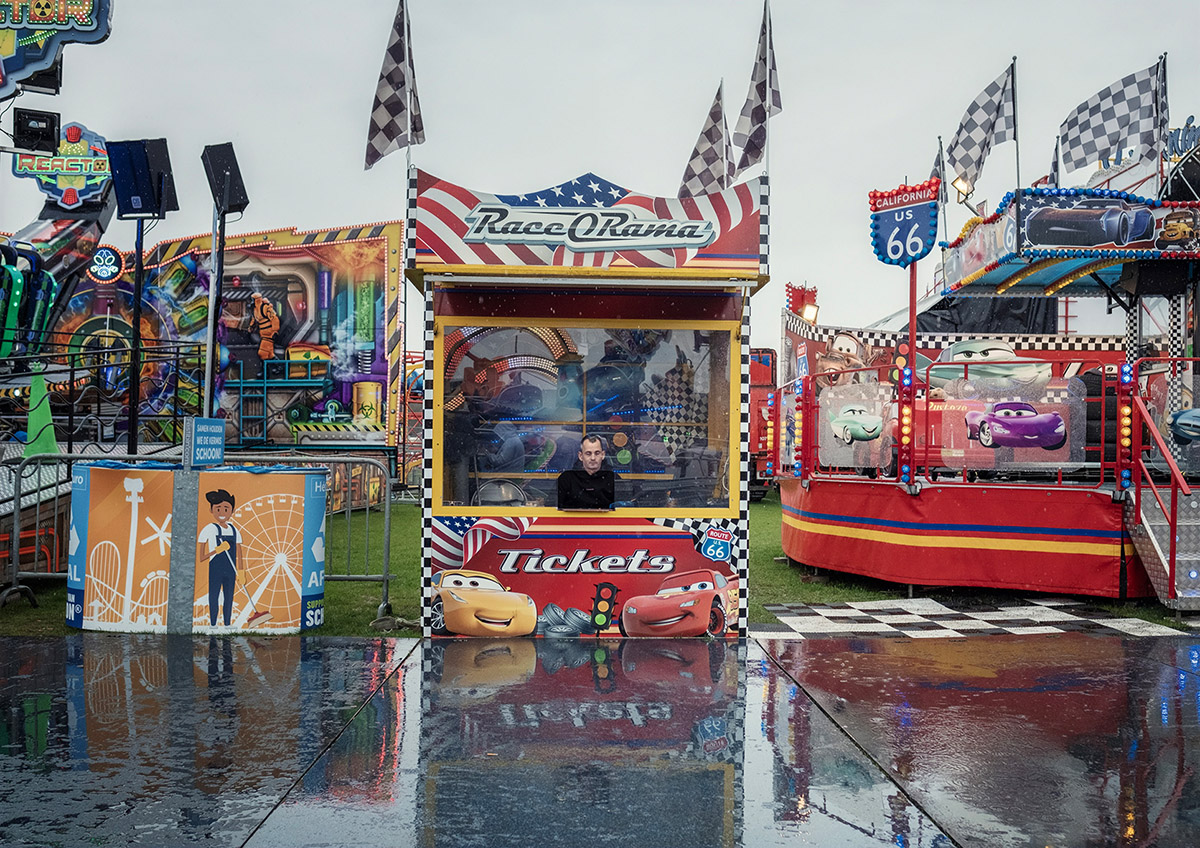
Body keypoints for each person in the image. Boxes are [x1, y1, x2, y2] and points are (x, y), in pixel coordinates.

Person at [197, 489, 242, 627]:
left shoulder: (235, 530)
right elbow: (201, 557)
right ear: (211, 510)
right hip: (216, 569)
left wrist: (241, 572)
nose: (222, 512)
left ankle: (228, 624)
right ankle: (213, 624)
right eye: (218, 508)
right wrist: (216, 550)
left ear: (232, 511)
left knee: (229, 597)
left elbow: (239, 554)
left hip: (231, 570)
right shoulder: (209, 529)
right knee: (214, 596)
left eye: (226, 508)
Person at [557, 434, 615, 509]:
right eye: (588, 453)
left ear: (603, 455)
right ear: (580, 456)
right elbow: (552, 507)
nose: (593, 458)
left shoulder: (613, 478)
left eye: (597, 453)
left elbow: (624, 508)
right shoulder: (566, 479)